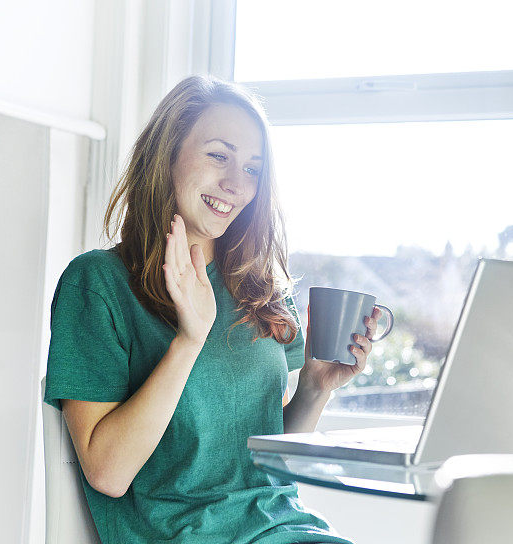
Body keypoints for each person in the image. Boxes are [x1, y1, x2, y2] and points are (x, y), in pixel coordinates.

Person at [43, 75, 384, 543]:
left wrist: (313, 389)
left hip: (284, 528)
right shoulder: (98, 283)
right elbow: (107, 473)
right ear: (166, 155)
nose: (235, 184)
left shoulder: (257, 285)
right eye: (219, 156)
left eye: (252, 169)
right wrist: (189, 339)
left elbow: (256, 461)